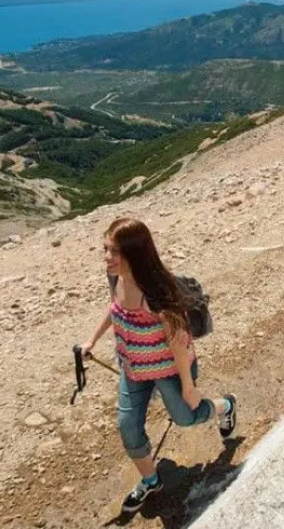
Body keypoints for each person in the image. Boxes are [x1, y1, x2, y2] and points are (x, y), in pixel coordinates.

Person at [81, 217, 237, 514]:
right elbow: (114, 308)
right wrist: (92, 340)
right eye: (105, 249)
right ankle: (151, 481)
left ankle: (226, 406)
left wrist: (188, 388)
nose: (107, 257)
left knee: (186, 418)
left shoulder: (157, 295)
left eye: (114, 251)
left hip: (169, 371)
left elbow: (179, 342)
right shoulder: (116, 278)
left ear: (134, 253)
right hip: (133, 368)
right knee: (128, 426)